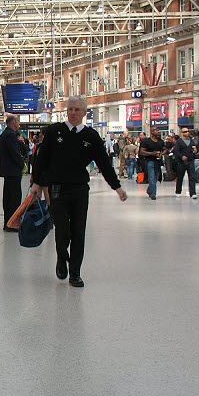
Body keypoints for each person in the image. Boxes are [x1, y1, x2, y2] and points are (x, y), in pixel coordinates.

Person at [30, 96, 127, 288]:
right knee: (62, 231)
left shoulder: (90, 136)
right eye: (70, 109)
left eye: (77, 110)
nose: (73, 113)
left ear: (84, 113)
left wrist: (116, 186)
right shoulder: (54, 131)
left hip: (80, 190)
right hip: (57, 189)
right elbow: (42, 159)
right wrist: (37, 183)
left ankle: (75, 273)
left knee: (78, 232)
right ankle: (61, 257)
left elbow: (104, 163)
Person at [0, 115, 24, 232]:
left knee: (8, 197)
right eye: (17, 121)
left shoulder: (4, 134)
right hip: (13, 171)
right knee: (14, 198)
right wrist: (22, 164)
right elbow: (15, 153)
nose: (18, 124)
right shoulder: (10, 135)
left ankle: (7, 222)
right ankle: (12, 223)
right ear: (13, 122)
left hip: (7, 171)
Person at [139, 127, 165, 200]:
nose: (158, 132)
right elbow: (142, 151)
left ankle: (149, 190)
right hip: (150, 161)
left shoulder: (160, 141)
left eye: (158, 130)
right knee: (151, 178)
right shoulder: (147, 141)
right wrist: (151, 153)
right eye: (156, 130)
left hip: (158, 162)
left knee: (155, 178)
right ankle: (153, 194)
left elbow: (165, 149)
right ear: (152, 132)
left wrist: (161, 154)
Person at [173, 127, 198, 199]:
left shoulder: (192, 141)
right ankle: (178, 191)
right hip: (181, 162)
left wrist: (194, 151)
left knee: (192, 177)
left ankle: (193, 193)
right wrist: (181, 156)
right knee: (180, 177)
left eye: (188, 131)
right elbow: (176, 151)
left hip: (190, 161)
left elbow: (194, 148)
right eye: (185, 131)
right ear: (182, 133)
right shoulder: (179, 141)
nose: (187, 133)